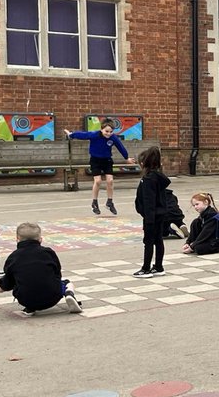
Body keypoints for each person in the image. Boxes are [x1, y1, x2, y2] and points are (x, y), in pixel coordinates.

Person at [0, 222, 81, 316]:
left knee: (21, 280)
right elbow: (57, 272)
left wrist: (2, 287)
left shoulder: (13, 257)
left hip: (25, 299)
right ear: (40, 239)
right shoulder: (48, 252)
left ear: (17, 239)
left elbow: (9, 279)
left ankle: (30, 308)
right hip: (53, 297)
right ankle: (69, 293)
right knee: (66, 282)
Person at [64, 119, 130, 215]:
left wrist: (126, 157)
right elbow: (83, 135)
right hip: (95, 160)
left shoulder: (113, 138)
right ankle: (94, 203)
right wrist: (71, 134)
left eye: (111, 132)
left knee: (110, 181)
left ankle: (110, 202)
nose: (108, 134)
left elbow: (121, 147)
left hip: (107, 160)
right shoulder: (94, 135)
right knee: (98, 181)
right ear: (101, 129)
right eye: (106, 131)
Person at [133, 146, 170, 278]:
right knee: (158, 240)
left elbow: (149, 201)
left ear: (144, 163)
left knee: (148, 241)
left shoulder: (148, 179)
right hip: (159, 214)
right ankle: (159, 266)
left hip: (152, 216)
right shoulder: (157, 177)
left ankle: (146, 268)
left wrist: (148, 219)